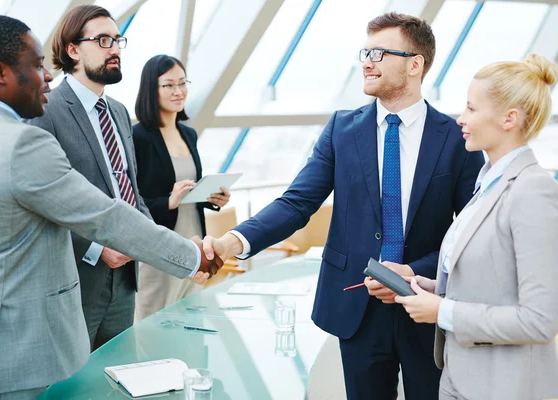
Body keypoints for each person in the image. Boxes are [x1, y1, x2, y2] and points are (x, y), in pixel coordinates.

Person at [203, 12, 484, 400]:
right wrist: (232, 242)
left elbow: (471, 231)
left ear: (415, 64)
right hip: (357, 307)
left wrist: (415, 272)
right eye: (365, 52)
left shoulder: (455, 137)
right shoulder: (341, 128)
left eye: (380, 52)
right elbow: (297, 203)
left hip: (426, 305)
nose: (366, 61)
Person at [0, 15, 220, 399]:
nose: (46, 76)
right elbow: (104, 216)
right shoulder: (22, 141)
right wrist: (192, 256)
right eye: (35, 65)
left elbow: (124, 191)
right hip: (12, 352)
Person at [395, 54, 558, 400]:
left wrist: (444, 311)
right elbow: (494, 280)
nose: (460, 119)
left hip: (504, 386)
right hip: (459, 375)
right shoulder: (487, 182)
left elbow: (539, 320)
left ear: (509, 119)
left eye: (471, 109)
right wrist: (430, 286)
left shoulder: (533, 190)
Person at [28, 5, 157, 350]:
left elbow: (130, 189)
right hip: (76, 281)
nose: (114, 49)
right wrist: (97, 248)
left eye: (117, 40)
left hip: (126, 282)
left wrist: (147, 238)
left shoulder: (118, 111)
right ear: (72, 49)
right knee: (70, 387)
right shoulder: (46, 110)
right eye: (102, 40)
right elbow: (38, 203)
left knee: (115, 379)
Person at [132, 55, 231, 321]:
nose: (178, 91)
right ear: (151, 90)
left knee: (192, 321)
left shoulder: (188, 134)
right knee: (154, 323)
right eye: (168, 85)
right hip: (161, 246)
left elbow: (190, 188)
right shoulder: (139, 137)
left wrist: (211, 198)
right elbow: (132, 200)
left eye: (182, 83)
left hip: (194, 243)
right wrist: (169, 201)